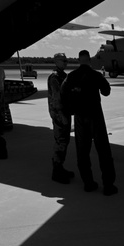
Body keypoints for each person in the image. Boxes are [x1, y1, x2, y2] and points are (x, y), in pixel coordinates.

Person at [61, 50, 117, 195]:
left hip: (79, 117)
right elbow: (106, 91)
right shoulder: (96, 75)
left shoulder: (71, 76)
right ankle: (108, 185)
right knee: (103, 150)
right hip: (95, 115)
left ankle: (88, 183)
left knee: (82, 151)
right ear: (89, 60)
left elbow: (63, 93)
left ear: (79, 61)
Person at [47, 53, 75, 183]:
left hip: (65, 112)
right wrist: (62, 115)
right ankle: (56, 171)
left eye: (66, 60)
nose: (66, 63)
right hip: (59, 114)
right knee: (61, 141)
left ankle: (60, 167)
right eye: (63, 61)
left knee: (65, 141)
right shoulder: (55, 78)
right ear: (56, 62)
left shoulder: (63, 76)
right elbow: (57, 98)